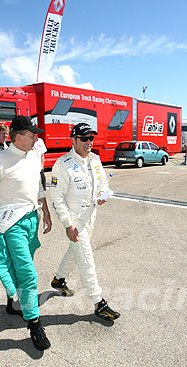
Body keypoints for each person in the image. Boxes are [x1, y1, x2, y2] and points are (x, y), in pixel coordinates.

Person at [0, 115, 53, 351]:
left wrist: (45, 212)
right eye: (31, 134)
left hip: (31, 221)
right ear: (18, 137)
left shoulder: (34, 156)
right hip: (11, 224)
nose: (35, 137)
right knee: (28, 274)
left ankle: (12, 303)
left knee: (21, 266)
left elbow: (37, 186)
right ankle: (34, 324)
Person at [49, 123, 120, 321]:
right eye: (84, 138)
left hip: (91, 218)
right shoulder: (62, 164)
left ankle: (58, 279)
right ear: (73, 140)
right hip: (75, 221)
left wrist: (102, 194)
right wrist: (68, 225)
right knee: (87, 260)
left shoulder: (96, 159)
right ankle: (99, 303)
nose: (89, 142)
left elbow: (103, 182)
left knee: (75, 252)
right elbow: (56, 199)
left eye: (91, 138)